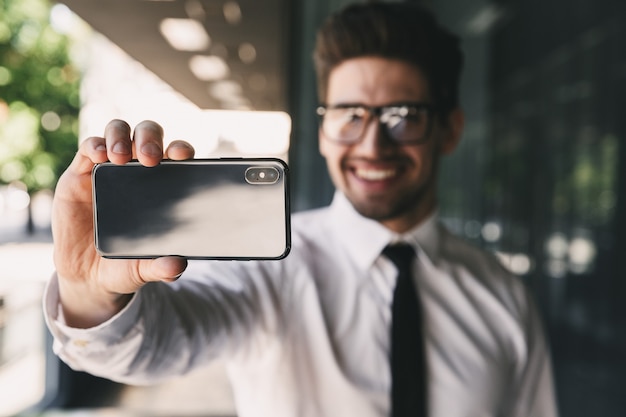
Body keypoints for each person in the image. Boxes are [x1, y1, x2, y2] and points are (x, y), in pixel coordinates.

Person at [44, 2, 558, 417]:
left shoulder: (505, 299)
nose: (372, 145)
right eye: (349, 115)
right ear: (323, 130)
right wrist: (89, 292)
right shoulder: (268, 271)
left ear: (450, 129)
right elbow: (151, 347)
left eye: (403, 116)